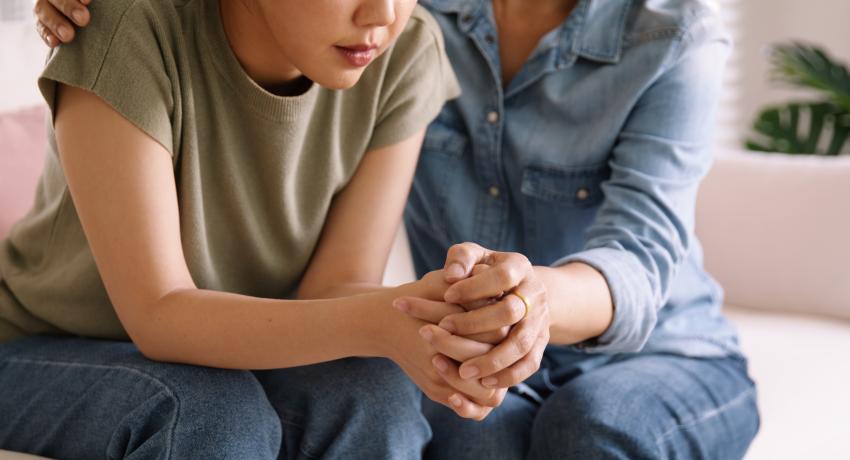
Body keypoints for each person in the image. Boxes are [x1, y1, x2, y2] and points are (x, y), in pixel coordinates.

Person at [33, 0, 762, 458]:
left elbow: (641, 254)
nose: (380, 14)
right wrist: (406, 320)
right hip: (64, 341)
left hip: (653, 350)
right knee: (237, 415)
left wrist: (512, 303)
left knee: (585, 429)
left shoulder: (671, 34)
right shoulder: (416, 25)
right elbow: (177, 311)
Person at [0, 0, 492, 458]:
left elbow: (334, 289)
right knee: (207, 412)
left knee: (373, 394)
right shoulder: (128, 26)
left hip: (235, 353)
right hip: (42, 346)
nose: (382, 14)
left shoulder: (403, 50)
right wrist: (380, 321)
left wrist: (434, 313)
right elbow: (158, 314)